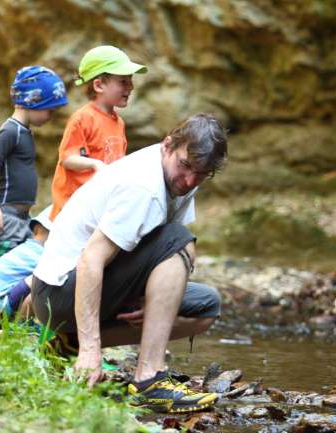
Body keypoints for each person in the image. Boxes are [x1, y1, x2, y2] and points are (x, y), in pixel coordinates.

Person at [32, 113, 227, 413]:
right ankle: (150, 380)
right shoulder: (143, 187)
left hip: (93, 287)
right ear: (167, 146)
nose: (190, 181)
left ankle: (64, 343)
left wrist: (156, 302)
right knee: (178, 239)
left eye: (202, 174)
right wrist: (90, 350)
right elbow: (90, 260)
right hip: (59, 293)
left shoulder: (181, 178)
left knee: (206, 307)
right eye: (186, 166)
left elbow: (167, 254)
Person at [49, 45, 147, 220]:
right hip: (72, 210)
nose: (130, 87)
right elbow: (67, 159)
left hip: (99, 206)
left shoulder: (119, 122)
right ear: (99, 85)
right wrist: (95, 164)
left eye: (130, 80)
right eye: (123, 81)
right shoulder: (83, 118)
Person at [0, 66, 68, 257]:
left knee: (24, 262)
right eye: (49, 111)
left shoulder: (24, 131)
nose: (51, 117)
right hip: (5, 216)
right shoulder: (11, 131)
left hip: (21, 216)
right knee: (9, 266)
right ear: (33, 102)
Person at [0, 206, 53, 327]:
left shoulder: (27, 248)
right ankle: (22, 322)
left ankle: (19, 321)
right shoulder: (40, 254)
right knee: (46, 279)